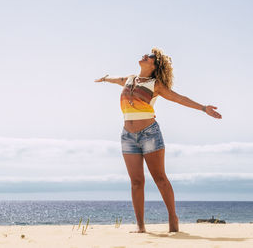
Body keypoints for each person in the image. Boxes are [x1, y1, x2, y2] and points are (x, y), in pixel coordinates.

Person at [94, 47, 222, 233]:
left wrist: (203, 108)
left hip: (149, 134)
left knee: (160, 178)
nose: (145, 56)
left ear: (155, 65)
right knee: (136, 182)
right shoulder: (129, 79)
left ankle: (172, 218)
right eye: (146, 54)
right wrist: (105, 78)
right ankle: (140, 226)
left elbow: (179, 98)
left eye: (150, 57)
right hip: (127, 136)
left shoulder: (156, 85)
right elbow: (116, 79)